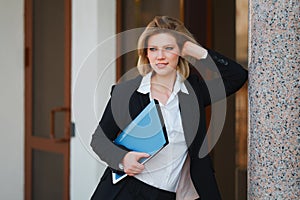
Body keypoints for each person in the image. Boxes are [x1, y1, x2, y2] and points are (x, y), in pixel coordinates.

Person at [90, 16, 248, 200]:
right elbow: (99, 140)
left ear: (180, 51)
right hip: (127, 191)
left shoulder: (194, 92)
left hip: (170, 195)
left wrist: (195, 50)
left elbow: (237, 76)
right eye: (153, 49)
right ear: (146, 54)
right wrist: (123, 159)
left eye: (169, 48)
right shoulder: (126, 93)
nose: (160, 56)